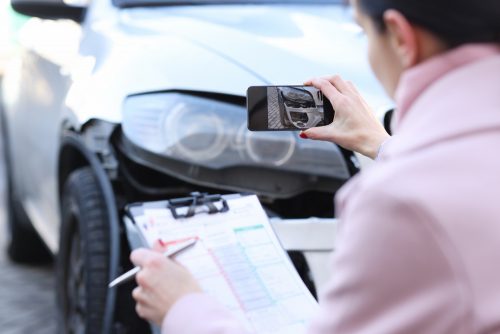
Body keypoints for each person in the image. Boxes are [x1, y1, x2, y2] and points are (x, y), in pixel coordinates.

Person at [130, 0, 500, 332]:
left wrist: (183, 308)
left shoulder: (397, 202)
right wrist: (381, 144)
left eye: (361, 31)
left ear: (401, 37)